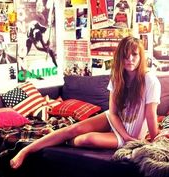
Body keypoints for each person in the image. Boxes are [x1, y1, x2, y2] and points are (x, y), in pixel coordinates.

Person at [10, 36, 161, 169]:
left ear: (141, 56)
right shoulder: (117, 77)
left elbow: (151, 115)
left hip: (131, 132)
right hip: (114, 121)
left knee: (86, 139)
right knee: (73, 129)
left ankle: (58, 138)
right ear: (119, 57)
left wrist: (153, 143)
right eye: (125, 55)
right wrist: (125, 135)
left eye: (134, 54)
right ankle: (26, 150)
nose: (130, 59)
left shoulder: (150, 80)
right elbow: (113, 113)